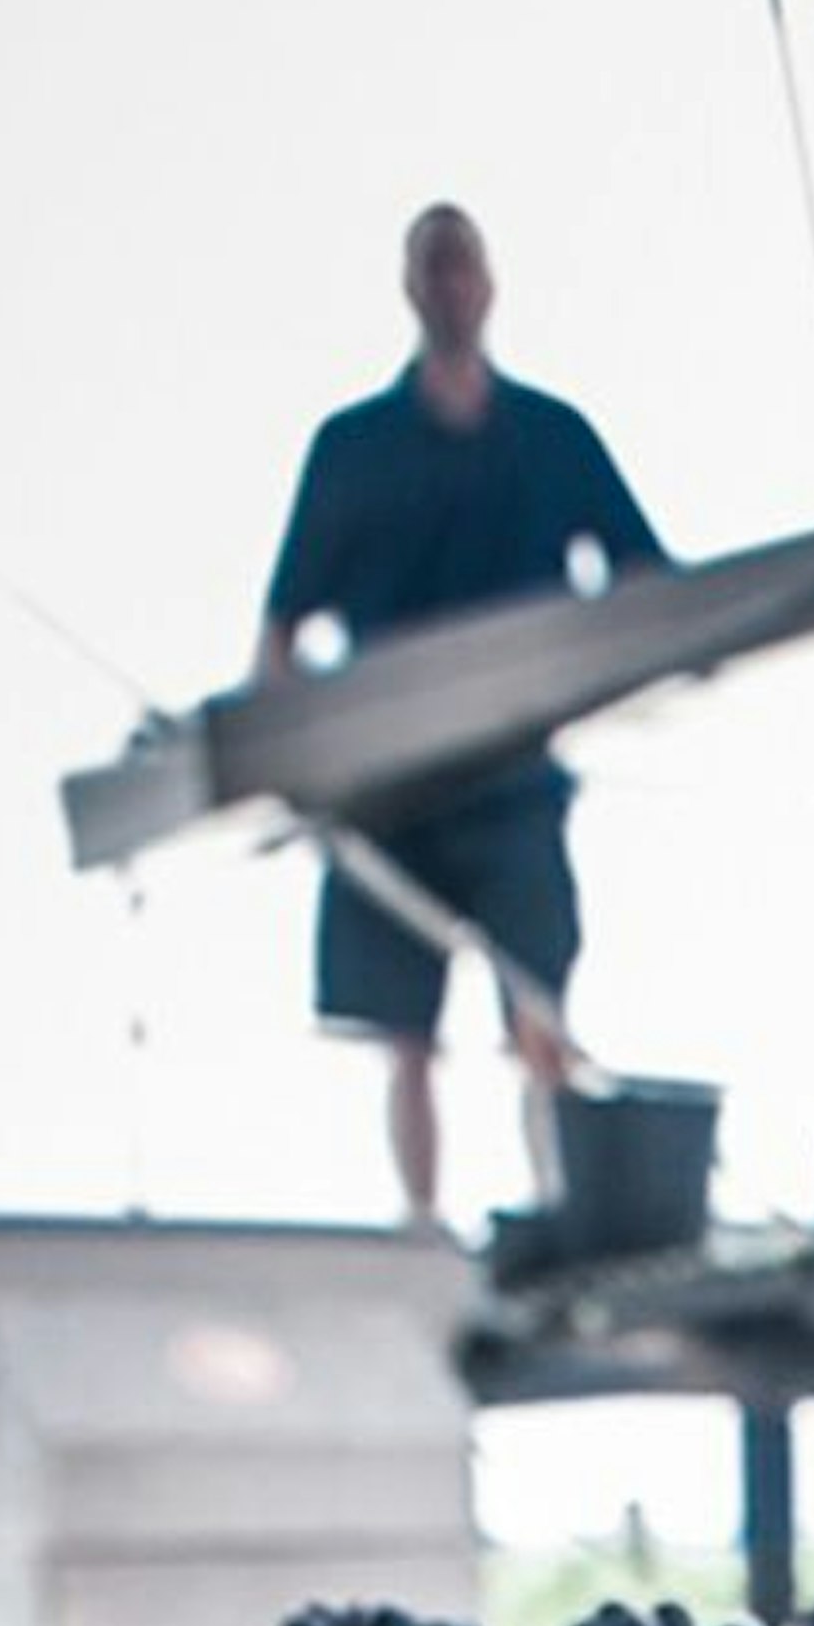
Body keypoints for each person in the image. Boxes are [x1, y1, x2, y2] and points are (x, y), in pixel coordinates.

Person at [259, 205, 665, 1226]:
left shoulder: (550, 438)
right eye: (431, 271)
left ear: (488, 284)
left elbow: (649, 588)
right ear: (411, 288)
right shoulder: (355, 450)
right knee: (406, 1037)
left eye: (463, 268)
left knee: (539, 1008)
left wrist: (594, 665)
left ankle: (559, 1204)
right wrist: (279, 759)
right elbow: (281, 629)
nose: (449, 289)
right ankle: (421, 1222)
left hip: (512, 785)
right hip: (388, 792)